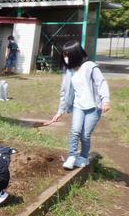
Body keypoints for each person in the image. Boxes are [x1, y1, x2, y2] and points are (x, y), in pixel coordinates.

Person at [46, 40, 111, 170]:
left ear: (75, 54)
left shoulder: (90, 66)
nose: (65, 58)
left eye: (67, 55)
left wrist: (106, 100)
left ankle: (83, 157)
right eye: (64, 55)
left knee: (85, 135)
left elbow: (101, 83)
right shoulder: (68, 71)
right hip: (78, 106)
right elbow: (64, 92)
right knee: (75, 131)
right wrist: (60, 111)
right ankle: (71, 156)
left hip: (93, 108)